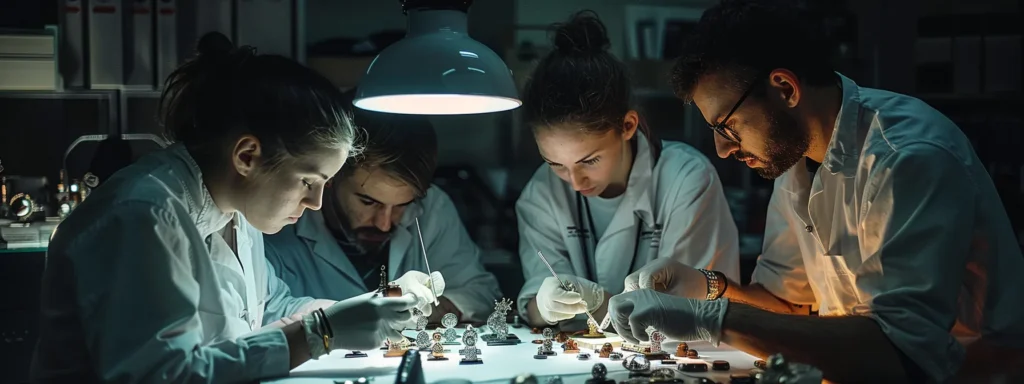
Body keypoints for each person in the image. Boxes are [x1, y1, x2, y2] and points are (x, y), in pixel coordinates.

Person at [607, 1, 1024, 383]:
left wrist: (710, 318)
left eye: (726, 126)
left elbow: (899, 353)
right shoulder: (797, 161)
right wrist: (706, 286)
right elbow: (788, 306)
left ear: (785, 88)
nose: (722, 149)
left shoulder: (907, 158)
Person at [30, 33, 428, 383]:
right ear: (247, 156)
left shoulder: (236, 209)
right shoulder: (143, 215)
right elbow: (164, 375)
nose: (315, 203)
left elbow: (270, 309)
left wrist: (369, 308)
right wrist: (323, 332)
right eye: (308, 181)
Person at [515, 11, 740, 328]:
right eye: (556, 164)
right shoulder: (541, 192)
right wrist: (545, 302)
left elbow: (689, 313)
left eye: (589, 160)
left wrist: (598, 301)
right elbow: (535, 304)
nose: (575, 182)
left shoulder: (686, 179)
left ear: (627, 125)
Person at [264, 90, 502, 323]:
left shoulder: (432, 207)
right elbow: (266, 313)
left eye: (403, 205)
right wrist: (370, 313)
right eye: (368, 202)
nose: (384, 223)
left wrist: (425, 312)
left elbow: (481, 293)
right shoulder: (280, 218)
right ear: (331, 177)